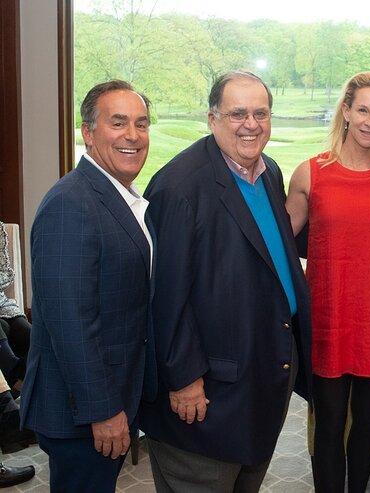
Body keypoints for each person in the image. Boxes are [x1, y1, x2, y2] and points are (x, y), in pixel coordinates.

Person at [139, 70, 312, 493]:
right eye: (237, 113)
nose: (250, 124)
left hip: (257, 379)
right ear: (213, 119)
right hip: (207, 394)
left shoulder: (267, 171)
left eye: (260, 113)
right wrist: (183, 378)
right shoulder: (179, 188)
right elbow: (165, 297)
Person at [20, 80, 157, 492]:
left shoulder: (120, 196)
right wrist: (103, 411)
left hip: (110, 399)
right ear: (88, 131)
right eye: (118, 123)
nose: (132, 135)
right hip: (83, 412)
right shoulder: (72, 203)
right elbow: (70, 322)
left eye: (141, 123)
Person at [286, 72, 370, 492]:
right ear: (345, 110)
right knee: (329, 424)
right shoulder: (309, 174)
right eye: (362, 110)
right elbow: (279, 248)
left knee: (368, 421)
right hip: (329, 318)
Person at [0, 221, 31, 389]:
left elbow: (6, 273)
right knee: (2, 327)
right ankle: (14, 382)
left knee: (31, 334)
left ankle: (19, 380)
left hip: (4, 305)